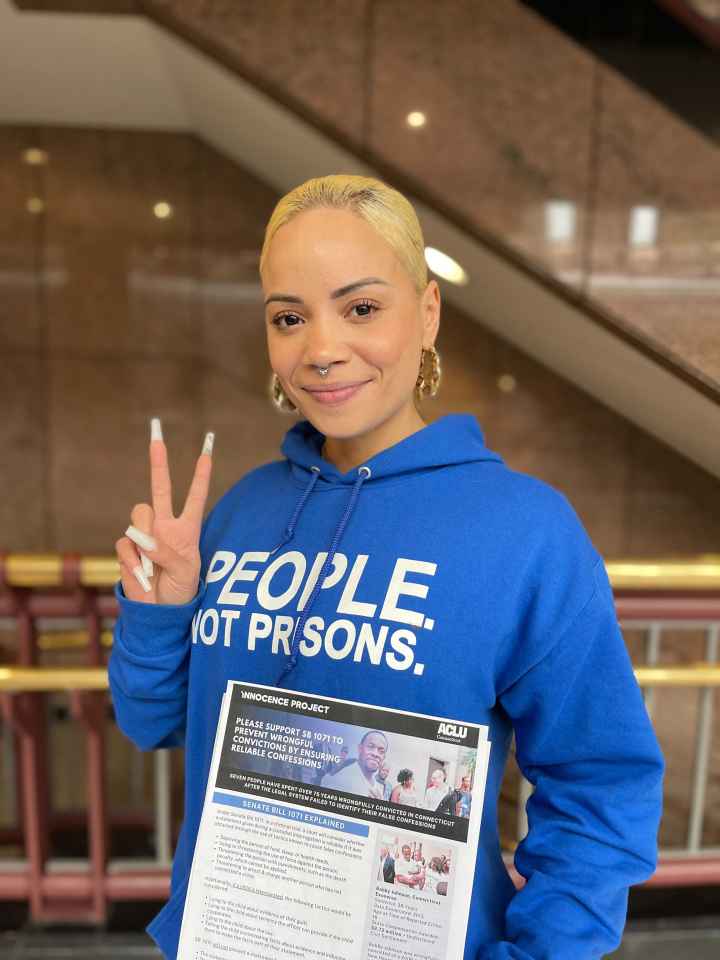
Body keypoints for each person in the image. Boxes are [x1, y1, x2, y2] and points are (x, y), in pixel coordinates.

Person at [109, 173, 664, 960]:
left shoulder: (525, 531)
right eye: (289, 318)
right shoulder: (239, 513)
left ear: (428, 311)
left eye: (361, 308)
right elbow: (153, 720)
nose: (323, 349)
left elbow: (601, 783)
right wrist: (161, 609)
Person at [320, 729, 387, 799]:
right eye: (370, 746)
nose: (375, 754)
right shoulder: (341, 779)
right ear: (360, 749)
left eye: (381, 751)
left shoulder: (379, 788)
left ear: (384, 758)